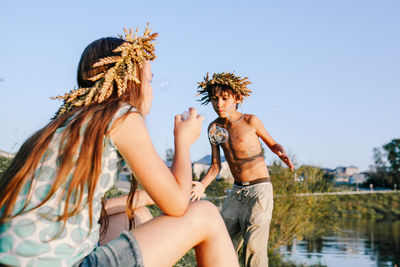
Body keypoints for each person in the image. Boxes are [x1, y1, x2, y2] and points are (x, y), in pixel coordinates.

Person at [0, 27, 239, 267]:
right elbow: (177, 205)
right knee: (206, 214)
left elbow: (99, 207)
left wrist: (152, 195)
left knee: (135, 218)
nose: (152, 93)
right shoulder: (121, 116)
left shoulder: (68, 123)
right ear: (129, 82)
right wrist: (183, 142)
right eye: (149, 81)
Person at [191, 72, 294, 267]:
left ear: (238, 98)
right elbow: (215, 166)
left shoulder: (250, 121)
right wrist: (202, 186)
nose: (219, 104)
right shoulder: (214, 128)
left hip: (259, 192)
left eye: (224, 98)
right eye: (214, 99)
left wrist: (281, 153)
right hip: (236, 192)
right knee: (222, 243)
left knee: (253, 248)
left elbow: (272, 144)